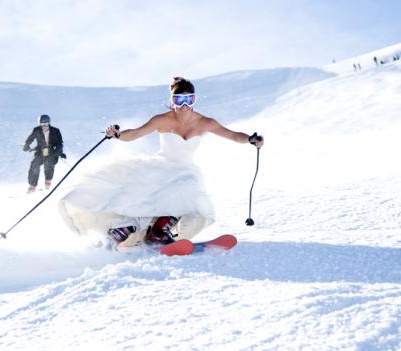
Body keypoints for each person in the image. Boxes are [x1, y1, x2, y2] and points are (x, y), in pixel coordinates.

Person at [58, 76, 264, 249]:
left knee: (187, 186)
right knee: (157, 190)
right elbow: (135, 134)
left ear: (194, 100)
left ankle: (161, 229)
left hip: (184, 168)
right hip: (163, 165)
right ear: (172, 101)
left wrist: (250, 139)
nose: (184, 106)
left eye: (189, 100)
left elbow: (233, 135)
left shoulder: (204, 122)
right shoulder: (162, 120)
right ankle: (129, 230)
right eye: (179, 100)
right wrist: (118, 134)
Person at [23, 114, 65, 193]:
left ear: (49, 123)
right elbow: (30, 139)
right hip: (40, 151)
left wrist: (58, 151)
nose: (44, 126)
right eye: (42, 124)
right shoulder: (36, 130)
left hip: (51, 151)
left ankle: (48, 181)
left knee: (49, 163)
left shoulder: (55, 131)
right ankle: (32, 186)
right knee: (34, 164)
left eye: (46, 124)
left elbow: (59, 143)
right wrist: (26, 145)